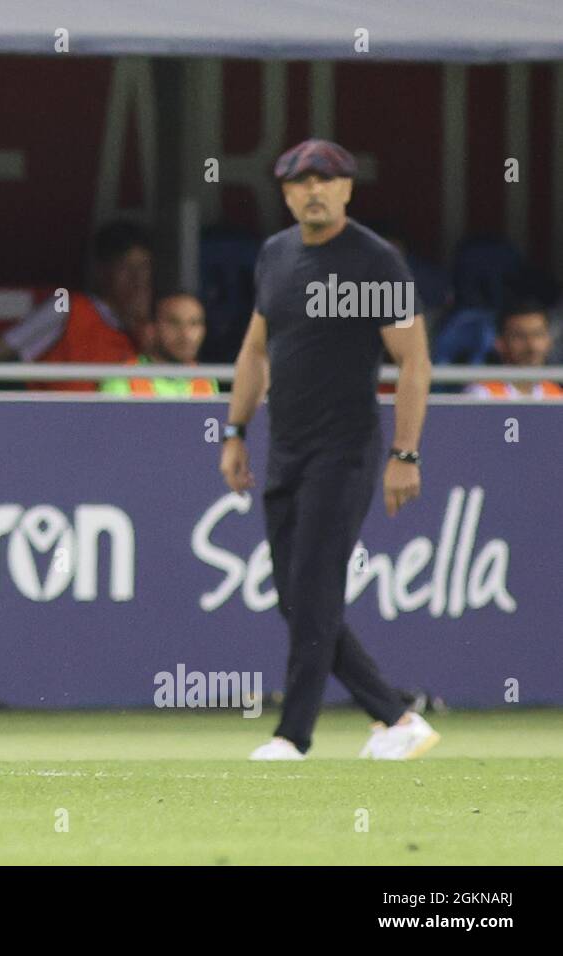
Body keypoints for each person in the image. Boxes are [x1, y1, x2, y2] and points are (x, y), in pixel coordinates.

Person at [219, 139, 440, 761]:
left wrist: (406, 453)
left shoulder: (375, 261)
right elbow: (256, 350)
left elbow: (413, 361)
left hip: (345, 449)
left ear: (347, 189)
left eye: (326, 179)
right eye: (300, 181)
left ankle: (293, 735)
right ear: (285, 192)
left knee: (312, 590)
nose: (313, 190)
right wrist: (235, 432)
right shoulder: (276, 254)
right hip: (284, 447)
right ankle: (397, 716)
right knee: (296, 596)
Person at [0, 221, 153, 390]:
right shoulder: (68, 306)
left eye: (143, 267)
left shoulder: (147, 328)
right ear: (102, 270)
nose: (137, 278)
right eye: (125, 267)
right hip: (53, 417)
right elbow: (1, 349)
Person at [100, 292, 218, 397]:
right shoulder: (123, 377)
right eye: (174, 322)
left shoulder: (207, 379)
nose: (186, 334)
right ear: (151, 329)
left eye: (194, 323)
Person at [464, 301, 563, 399]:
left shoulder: (556, 395)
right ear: (500, 344)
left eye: (537, 335)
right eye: (520, 336)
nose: (531, 346)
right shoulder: (482, 393)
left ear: (549, 341)